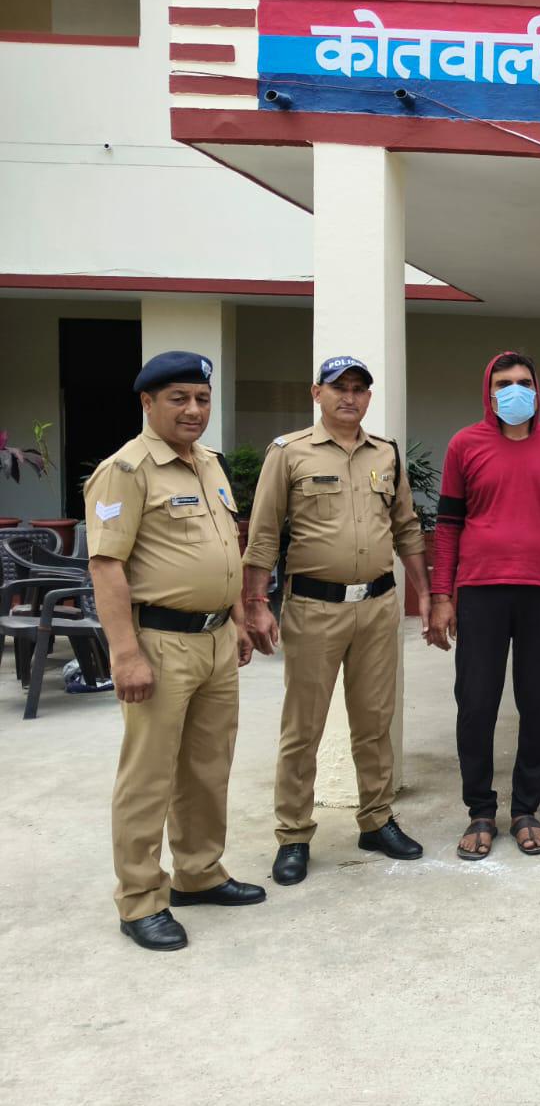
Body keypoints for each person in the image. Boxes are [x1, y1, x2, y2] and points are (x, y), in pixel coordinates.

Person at [84, 351, 263, 951]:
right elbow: (106, 565)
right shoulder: (126, 470)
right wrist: (125, 653)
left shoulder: (209, 464)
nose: (193, 410)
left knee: (208, 767)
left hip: (215, 639)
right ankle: (140, 899)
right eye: (179, 398)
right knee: (149, 775)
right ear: (148, 403)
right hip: (159, 643)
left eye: (202, 398)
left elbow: (222, 548)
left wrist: (237, 619)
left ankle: (199, 873)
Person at [242, 356, 430, 886]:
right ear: (317, 393)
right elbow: (263, 533)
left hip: (377, 606)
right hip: (314, 609)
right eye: (339, 387)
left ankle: (376, 820)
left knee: (374, 722)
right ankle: (293, 835)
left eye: (359, 388)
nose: (349, 397)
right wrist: (255, 602)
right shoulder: (289, 452)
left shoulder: (386, 453)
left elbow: (407, 528)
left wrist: (427, 595)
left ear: (369, 397)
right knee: (303, 728)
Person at [426, 352, 540, 861]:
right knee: (476, 704)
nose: (514, 390)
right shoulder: (465, 444)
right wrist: (441, 595)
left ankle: (525, 810)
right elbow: (448, 526)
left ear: (538, 391)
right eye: (503, 383)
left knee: (536, 704)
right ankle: (480, 810)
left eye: (523, 382)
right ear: (489, 390)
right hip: (480, 590)